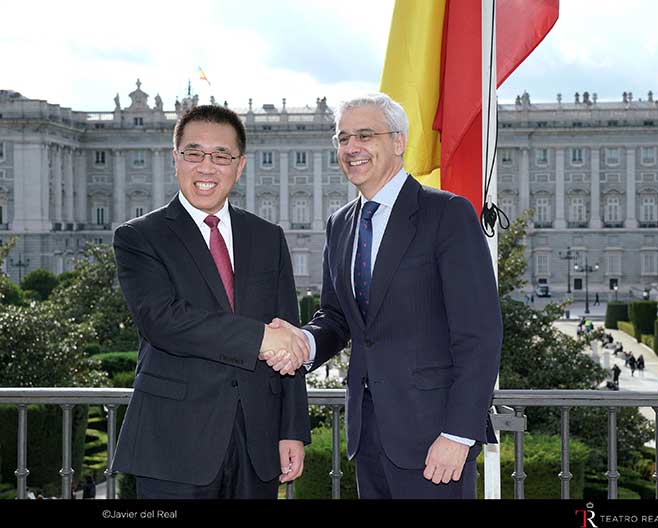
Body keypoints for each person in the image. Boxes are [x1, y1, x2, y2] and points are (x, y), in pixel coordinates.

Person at [265, 93, 502, 499]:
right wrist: (303, 342)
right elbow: (338, 317)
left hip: (435, 439)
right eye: (342, 139)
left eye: (364, 135)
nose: (351, 148)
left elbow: (480, 334)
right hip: (369, 436)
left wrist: (459, 434)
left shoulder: (446, 214)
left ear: (398, 142)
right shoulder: (341, 223)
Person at [111, 105, 311, 499]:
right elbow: (163, 321)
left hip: (258, 443)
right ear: (175, 159)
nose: (207, 167)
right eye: (194, 153)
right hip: (174, 443)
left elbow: (286, 329)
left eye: (221, 156)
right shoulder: (139, 237)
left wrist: (292, 430)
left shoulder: (268, 237)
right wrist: (260, 338)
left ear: (240, 166)